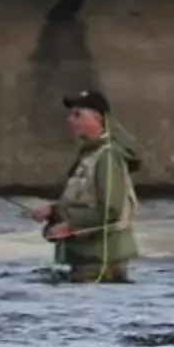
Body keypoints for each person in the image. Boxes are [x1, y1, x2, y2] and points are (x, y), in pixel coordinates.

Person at [38, 88, 139, 284]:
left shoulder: (107, 157)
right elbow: (86, 201)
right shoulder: (90, 155)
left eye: (77, 115)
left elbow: (111, 209)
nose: (70, 120)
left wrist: (71, 227)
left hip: (102, 263)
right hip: (85, 260)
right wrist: (54, 210)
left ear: (97, 120)